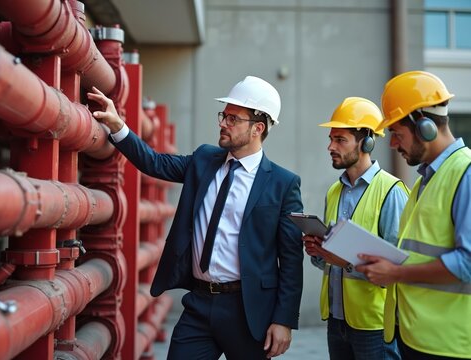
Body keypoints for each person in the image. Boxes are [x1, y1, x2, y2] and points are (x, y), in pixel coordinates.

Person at [87, 76, 304, 359]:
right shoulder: (204, 160)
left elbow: (291, 259)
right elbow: (155, 162)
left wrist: (284, 320)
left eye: (233, 118)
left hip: (249, 310)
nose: (223, 123)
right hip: (200, 304)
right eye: (223, 115)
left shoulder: (283, 183)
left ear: (257, 128)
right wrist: (118, 126)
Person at [356, 71, 471, 359]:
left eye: (396, 133)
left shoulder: (465, 173)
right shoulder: (424, 181)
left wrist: (396, 272)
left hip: (450, 345)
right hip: (416, 338)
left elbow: (468, 262)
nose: (392, 143)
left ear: (425, 127)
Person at [304, 97, 408, 360]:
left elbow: (397, 269)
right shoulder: (333, 191)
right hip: (336, 321)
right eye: (331, 139)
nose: (330, 146)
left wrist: (344, 261)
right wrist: (318, 253)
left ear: (367, 142)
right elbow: (329, 262)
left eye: (340, 140)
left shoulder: (391, 192)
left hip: (373, 325)